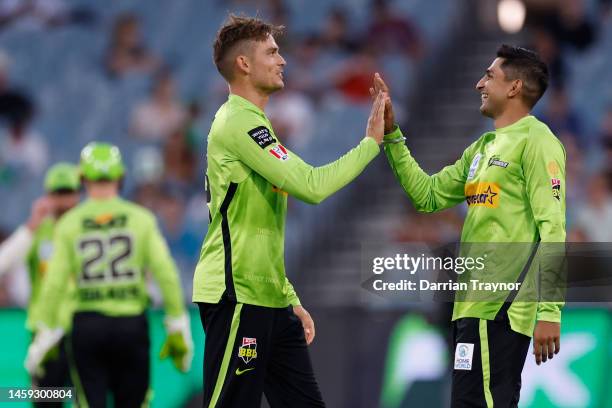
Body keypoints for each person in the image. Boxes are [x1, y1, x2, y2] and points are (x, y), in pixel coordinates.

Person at [193, 15, 387, 408]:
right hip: (236, 295)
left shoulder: (255, 124)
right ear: (244, 64)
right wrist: (370, 144)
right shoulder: (237, 123)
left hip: (268, 298)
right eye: (272, 52)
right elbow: (311, 186)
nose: (282, 60)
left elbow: (263, 227)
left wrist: (288, 295)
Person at [376, 45, 565, 407]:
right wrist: (393, 137)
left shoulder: (538, 142)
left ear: (514, 87)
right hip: (470, 307)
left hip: (502, 307)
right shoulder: (482, 147)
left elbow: (553, 229)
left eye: (490, 76)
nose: (480, 83)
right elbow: (428, 196)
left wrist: (550, 312)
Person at [25, 142, 192, 408]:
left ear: (83, 179)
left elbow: (54, 284)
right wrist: (177, 322)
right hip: (131, 325)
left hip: (87, 326)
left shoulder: (69, 224)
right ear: (121, 177)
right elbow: (166, 273)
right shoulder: (141, 219)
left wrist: (44, 331)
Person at [0, 163, 80, 407]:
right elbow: (3, 263)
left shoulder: (88, 229)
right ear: (48, 196)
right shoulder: (38, 232)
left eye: (68, 193)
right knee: (47, 402)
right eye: (58, 193)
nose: (64, 201)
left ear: (78, 195)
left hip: (82, 333)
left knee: (86, 401)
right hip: (46, 338)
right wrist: (31, 225)